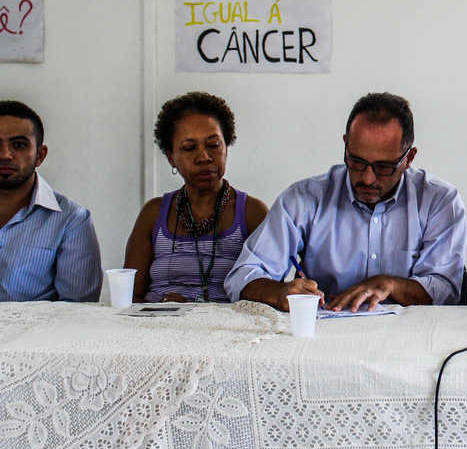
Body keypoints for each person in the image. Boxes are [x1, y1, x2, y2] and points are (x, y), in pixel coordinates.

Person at [225, 92, 466, 311]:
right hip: (326, 336)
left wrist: (390, 285)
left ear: (409, 158)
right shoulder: (305, 199)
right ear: (346, 145)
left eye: (383, 167)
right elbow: (242, 276)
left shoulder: (439, 201)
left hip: (412, 341)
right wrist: (279, 292)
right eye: (356, 161)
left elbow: (445, 290)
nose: (368, 178)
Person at [123, 92, 269, 303]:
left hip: (227, 329)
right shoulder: (153, 214)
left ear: (226, 147)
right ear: (171, 157)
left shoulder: (252, 213)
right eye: (189, 148)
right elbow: (131, 296)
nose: (204, 157)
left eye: (214, 145)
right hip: (159, 325)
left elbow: (266, 292)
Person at [0, 100, 101, 301]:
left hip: (34, 332)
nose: (5, 155)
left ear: (40, 155)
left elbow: (77, 309)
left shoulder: (72, 220)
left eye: (18, 145)